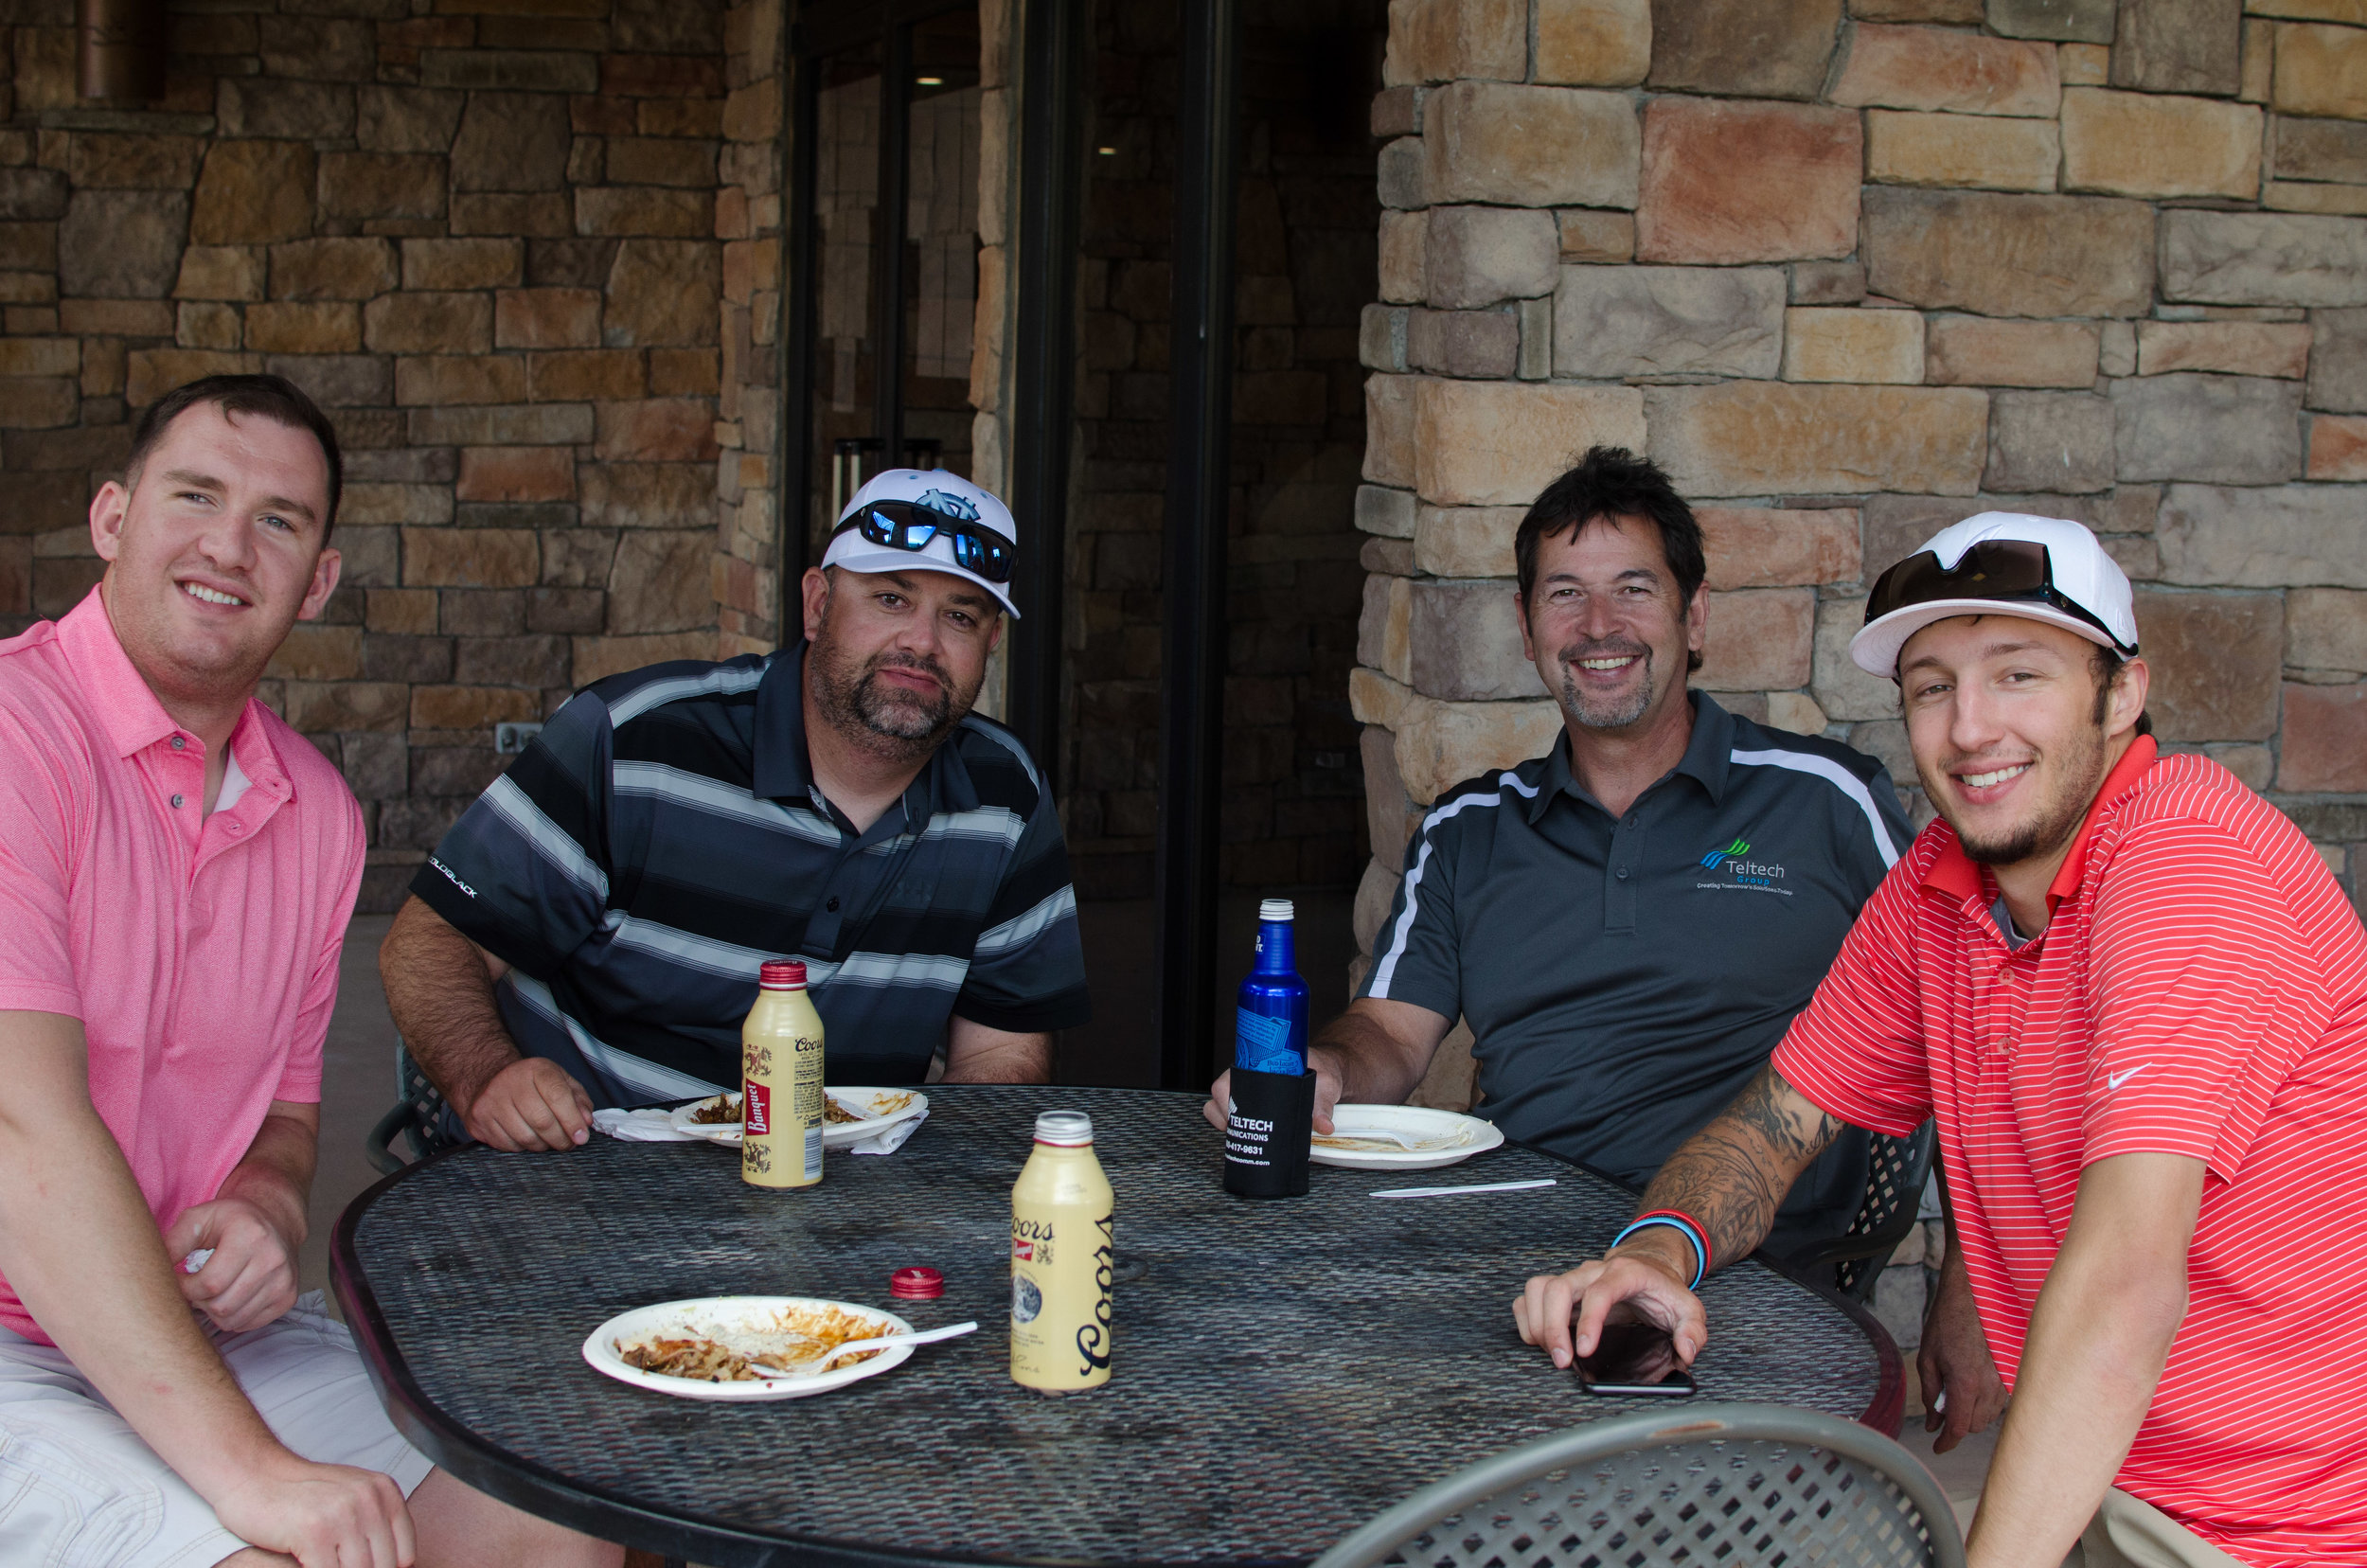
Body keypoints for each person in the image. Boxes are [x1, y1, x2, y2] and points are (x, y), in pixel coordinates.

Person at [1519, 512, 2367, 1568]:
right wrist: (1654, 1254)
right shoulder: (1937, 888)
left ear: (2122, 695)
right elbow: (1773, 1124)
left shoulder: (2184, 862)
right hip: (2120, 1480)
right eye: (1932, 687)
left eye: (2018, 676)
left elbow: (2125, 1285)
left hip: (2298, 1526)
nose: (1969, 730)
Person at [0, 374, 617, 1568]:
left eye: (278, 519)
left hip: (191, 1333)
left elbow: (285, 1114)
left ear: (319, 577)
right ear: (113, 520)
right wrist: (254, 1478)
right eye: (195, 495)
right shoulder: (18, 738)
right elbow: (19, 1132)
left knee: (552, 1500)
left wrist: (269, 1203)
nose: (229, 545)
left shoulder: (317, 813)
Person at [1208, 446, 1917, 1260]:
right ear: (1526, 626)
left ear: (1696, 616)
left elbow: (1975, 1017)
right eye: (1566, 595)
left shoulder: (1824, 798)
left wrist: (1971, 1281)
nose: (1599, 627)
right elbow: (1392, 1036)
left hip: (1763, 1266)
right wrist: (1323, 1070)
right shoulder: (1468, 829)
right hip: (1517, 1243)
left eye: (1635, 590)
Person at [383, 468, 1090, 1152]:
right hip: (581, 1173)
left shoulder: (1005, 797)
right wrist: (491, 1077)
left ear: (990, 646)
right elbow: (434, 941)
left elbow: (1002, 1047)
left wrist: (937, 1180)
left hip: (837, 1203)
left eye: (959, 616)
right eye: (890, 600)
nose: (922, 642)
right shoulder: (636, 742)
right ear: (817, 605)